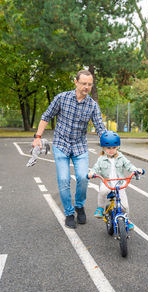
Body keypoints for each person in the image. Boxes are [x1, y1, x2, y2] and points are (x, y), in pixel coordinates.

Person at [33, 70, 106, 229]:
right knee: (64, 179)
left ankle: (79, 206)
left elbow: (100, 127)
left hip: (80, 146)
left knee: (83, 177)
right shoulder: (62, 98)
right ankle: (68, 212)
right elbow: (46, 116)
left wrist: (109, 145)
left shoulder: (92, 105)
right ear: (76, 82)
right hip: (61, 144)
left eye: (89, 84)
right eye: (84, 83)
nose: (87, 87)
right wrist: (38, 137)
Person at [87, 131, 143, 230]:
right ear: (103, 147)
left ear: (118, 147)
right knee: (102, 191)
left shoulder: (121, 157)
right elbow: (95, 168)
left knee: (125, 205)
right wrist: (91, 173)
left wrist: (136, 170)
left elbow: (129, 165)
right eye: (108, 148)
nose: (111, 150)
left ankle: (126, 219)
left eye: (114, 148)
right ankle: (100, 208)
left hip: (119, 183)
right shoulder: (101, 159)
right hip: (107, 183)